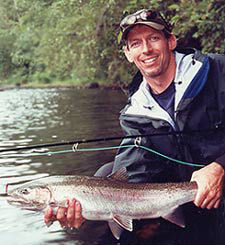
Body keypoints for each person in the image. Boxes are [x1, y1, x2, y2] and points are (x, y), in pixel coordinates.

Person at [45, 8, 225, 245]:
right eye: (136, 43)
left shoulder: (217, 71)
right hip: (187, 201)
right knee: (105, 175)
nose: (146, 50)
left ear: (171, 41)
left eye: (153, 38)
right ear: (128, 54)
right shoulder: (134, 114)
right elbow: (131, 172)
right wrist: (88, 210)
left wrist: (220, 167)